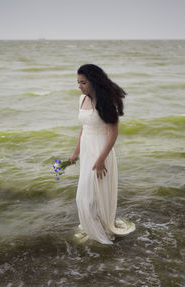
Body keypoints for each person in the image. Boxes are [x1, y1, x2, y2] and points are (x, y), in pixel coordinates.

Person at [69, 64, 135, 245]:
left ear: (94, 82)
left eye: (83, 82)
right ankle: (92, 229)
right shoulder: (82, 99)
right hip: (86, 149)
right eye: (78, 82)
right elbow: (84, 128)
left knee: (89, 196)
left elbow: (113, 134)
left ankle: (101, 236)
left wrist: (100, 160)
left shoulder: (106, 102)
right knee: (84, 196)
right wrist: (76, 153)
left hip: (100, 151)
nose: (79, 86)